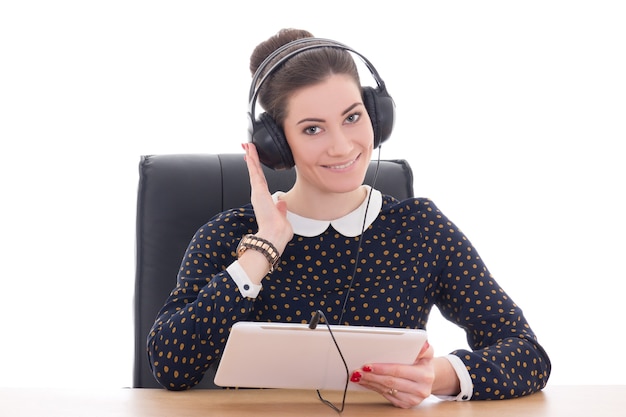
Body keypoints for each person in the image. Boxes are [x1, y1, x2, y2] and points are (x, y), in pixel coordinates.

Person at [147, 28, 551, 409]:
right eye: (312, 129)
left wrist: (437, 376)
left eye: (353, 117)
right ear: (276, 145)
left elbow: (527, 353)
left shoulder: (420, 228)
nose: (342, 146)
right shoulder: (229, 235)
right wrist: (263, 249)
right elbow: (170, 366)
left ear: (377, 115)